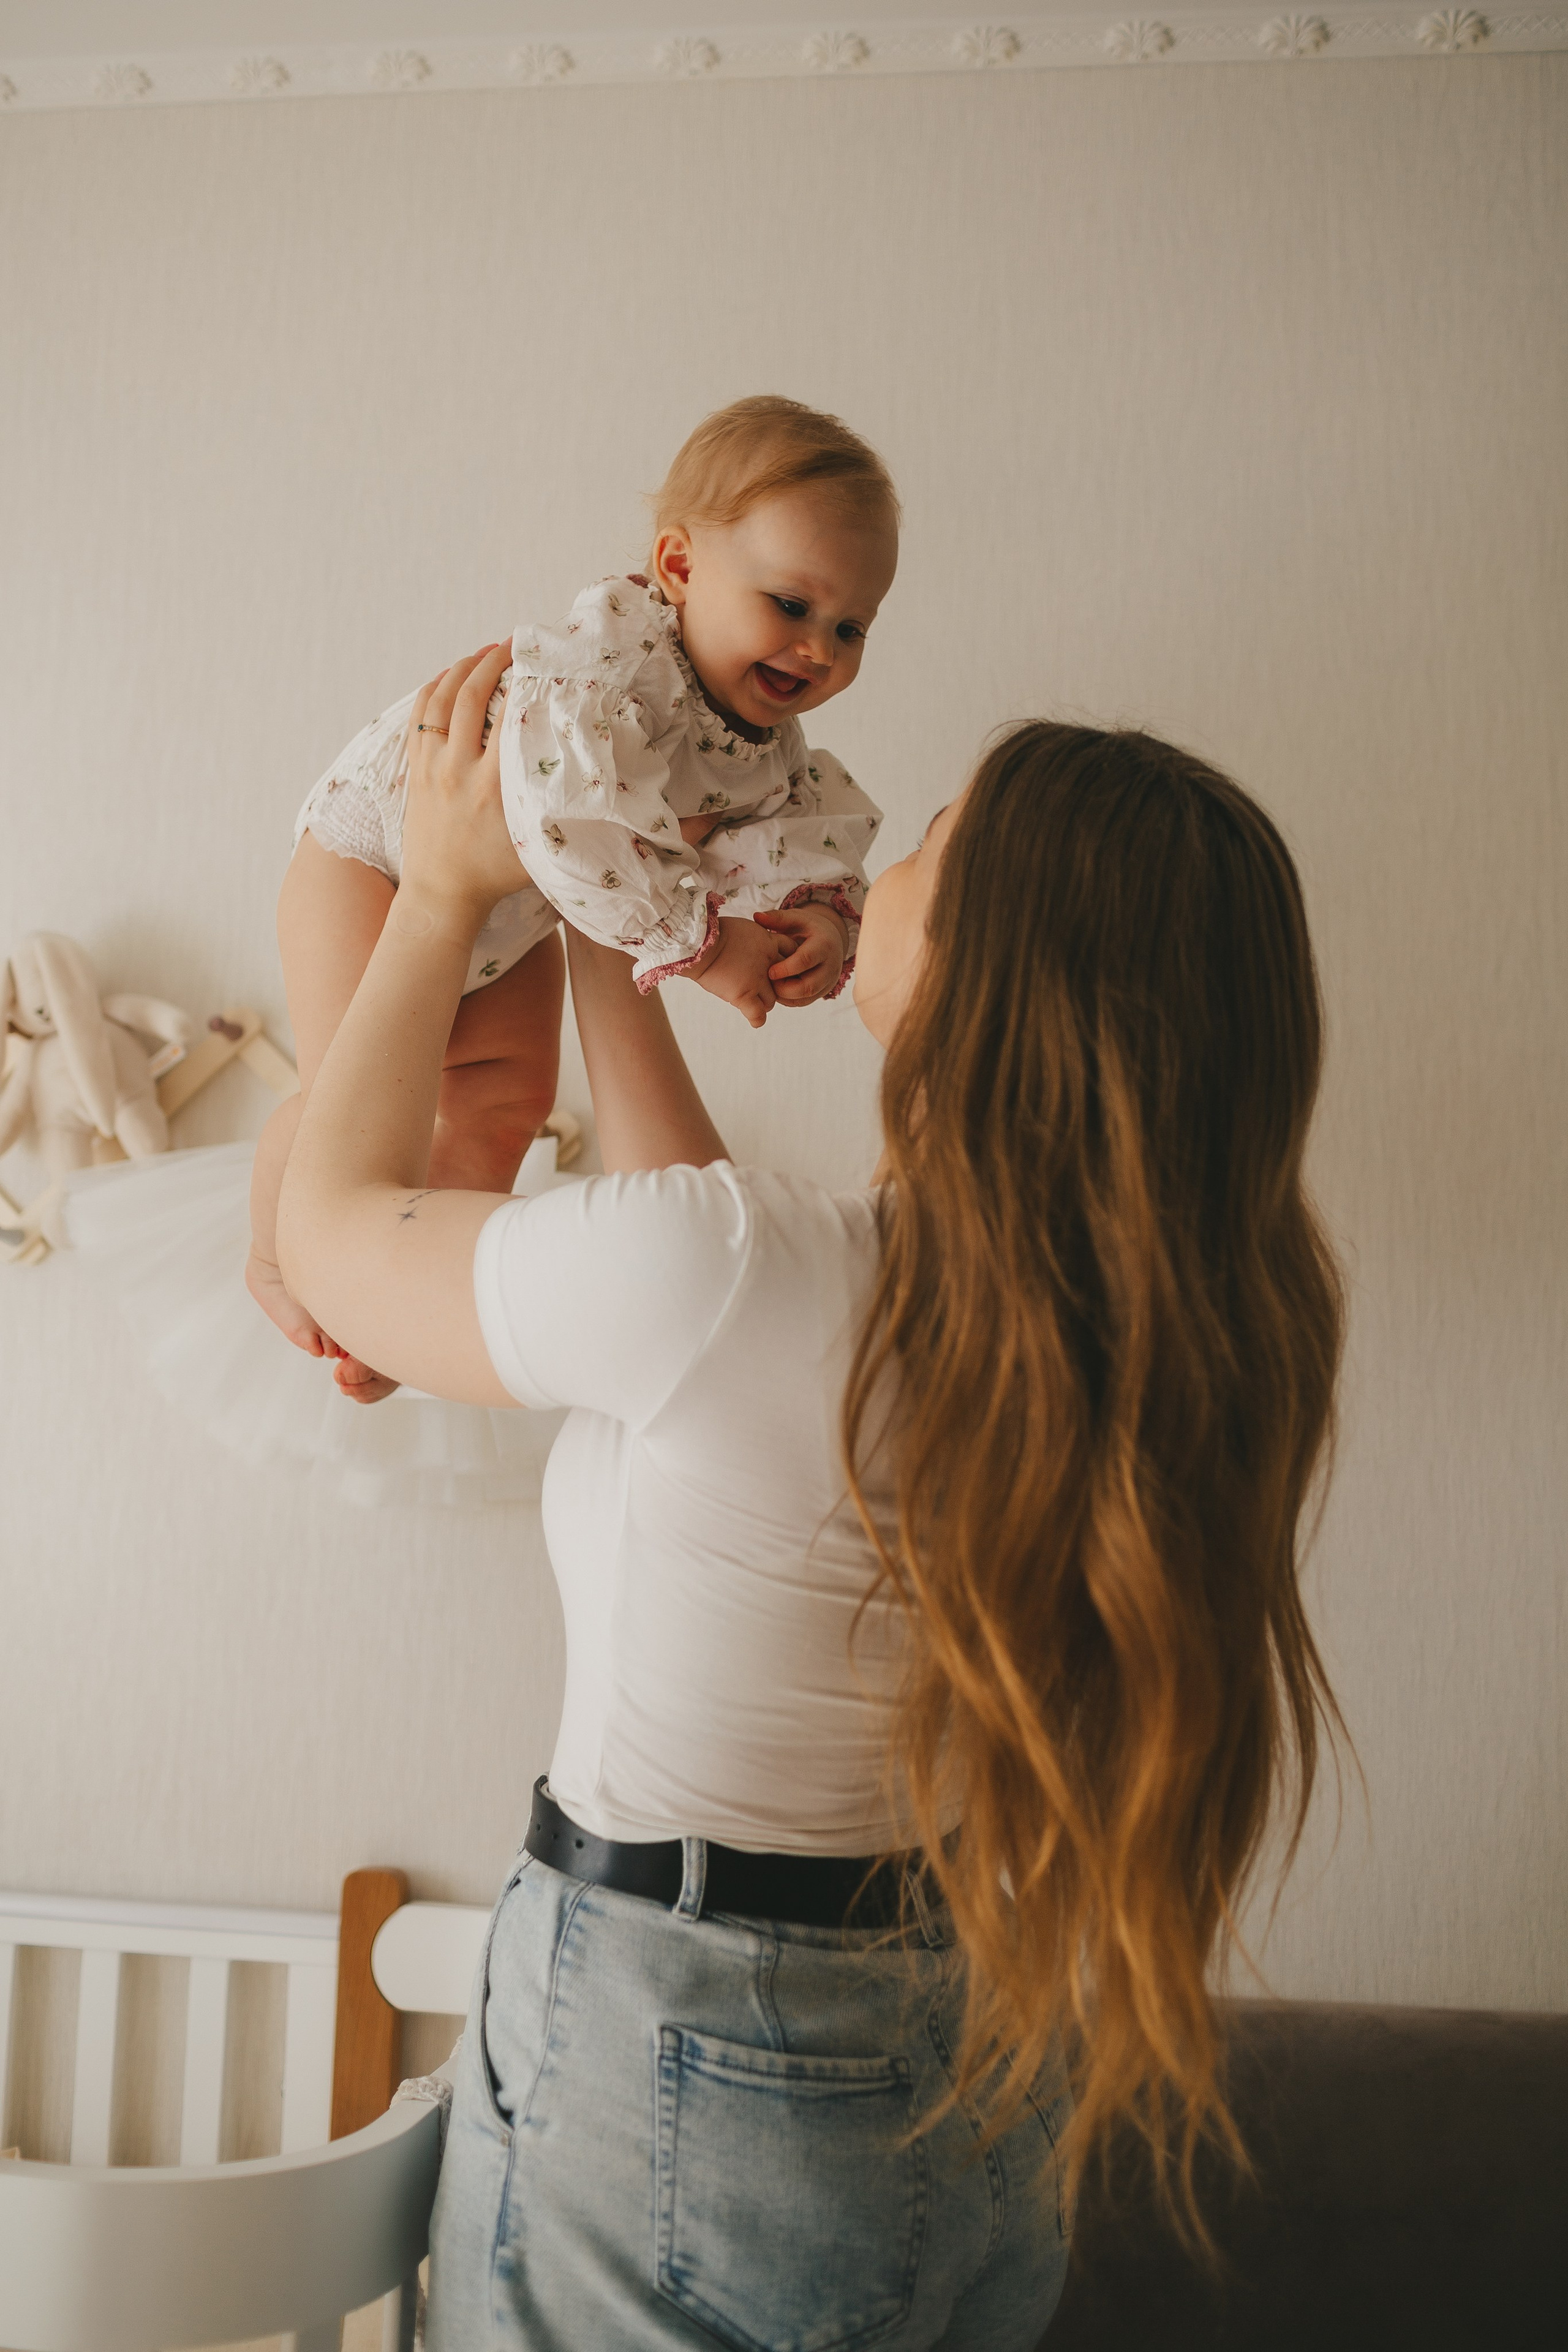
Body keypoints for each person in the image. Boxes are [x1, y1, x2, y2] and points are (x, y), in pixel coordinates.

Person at [277, 643, 1344, 2348]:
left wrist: (440, 896)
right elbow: (716, 1287)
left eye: (930, 842)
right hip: (952, 2029)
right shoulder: (1134, 1340)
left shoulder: (760, 1285)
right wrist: (601, 923)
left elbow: (326, 1238)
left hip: (678, 2030)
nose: (887, 864)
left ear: (993, 966)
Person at [249, 396, 897, 1400]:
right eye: (793, 605)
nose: (820, 648)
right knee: (354, 1092)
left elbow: (807, 833)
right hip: (371, 856)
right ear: (678, 568)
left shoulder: (767, 750)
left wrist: (816, 918)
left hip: (516, 914)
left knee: (508, 1104)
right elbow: (577, 818)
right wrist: (709, 946)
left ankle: (391, 1317)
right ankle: (278, 1250)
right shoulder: (616, 665)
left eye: (852, 627)